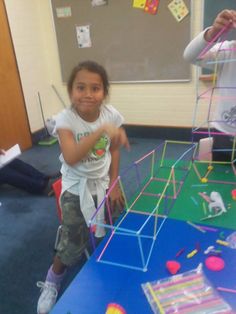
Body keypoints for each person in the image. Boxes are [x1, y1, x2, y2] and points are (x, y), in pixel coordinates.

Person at [36, 60, 130, 314]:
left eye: (95, 88)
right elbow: (71, 157)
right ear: (71, 92)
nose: (88, 94)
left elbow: (114, 150)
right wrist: (100, 129)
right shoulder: (65, 120)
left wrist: (115, 182)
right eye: (80, 87)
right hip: (76, 188)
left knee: (112, 226)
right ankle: (52, 281)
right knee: (71, 244)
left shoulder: (111, 115)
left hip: (103, 183)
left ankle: (106, 265)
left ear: (104, 92)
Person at [183, 9, 236, 161]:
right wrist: (212, 33)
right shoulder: (228, 50)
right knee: (219, 175)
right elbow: (191, 56)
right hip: (224, 132)